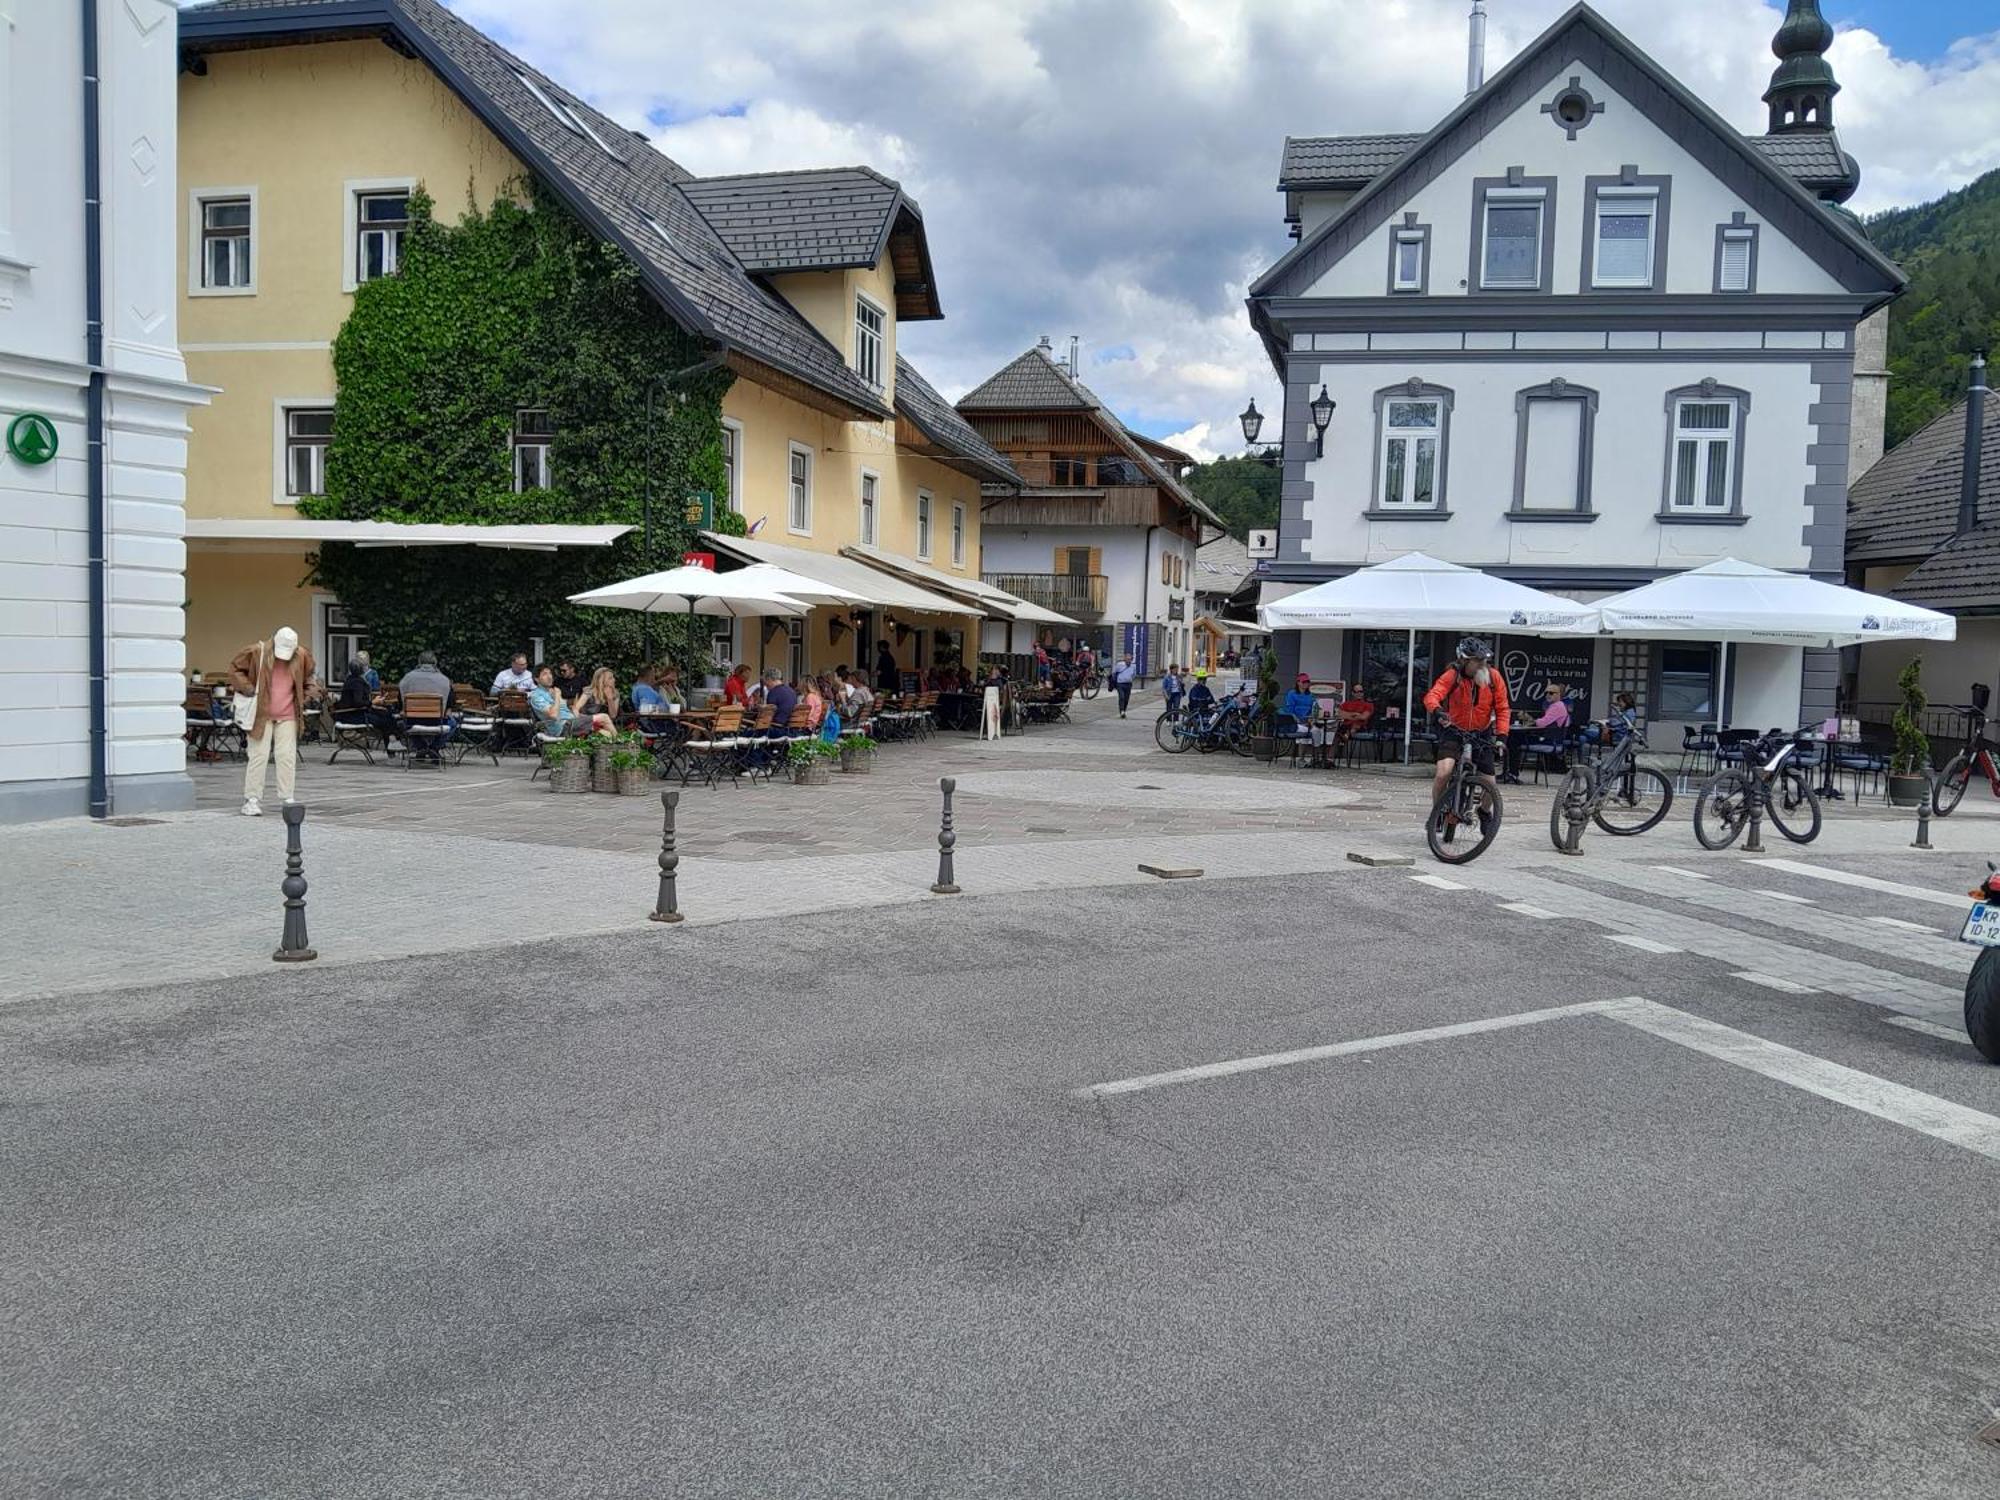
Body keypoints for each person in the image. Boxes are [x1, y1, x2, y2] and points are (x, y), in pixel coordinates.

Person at [230, 626, 315, 815]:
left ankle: (287, 797)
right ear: (274, 642)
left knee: (287, 757)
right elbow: (235, 669)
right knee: (258, 756)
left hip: (288, 714)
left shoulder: (301, 655)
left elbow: (309, 677)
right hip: (261, 713)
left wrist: (306, 696)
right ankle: (251, 799)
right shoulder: (257, 651)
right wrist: (247, 687)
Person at [1423, 636, 1511, 806]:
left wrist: (1501, 737)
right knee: (1443, 772)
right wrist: (1438, 710)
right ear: (1464, 660)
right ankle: (1437, 810)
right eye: (1477, 661)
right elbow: (1432, 695)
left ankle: (1484, 812)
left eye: (1484, 660)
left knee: (1491, 785)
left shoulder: (1493, 677)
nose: (1482, 664)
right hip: (1454, 730)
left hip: (1481, 732)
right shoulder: (1452, 675)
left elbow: (1502, 708)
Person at [1503, 682, 1572, 784]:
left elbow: (1542, 724)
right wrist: (1532, 721)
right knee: (1514, 738)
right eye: (1546, 693)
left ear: (1558, 695)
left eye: (1551, 693)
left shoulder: (1557, 706)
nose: (1547, 695)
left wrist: (1529, 719)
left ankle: (1512, 774)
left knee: (1513, 740)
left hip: (1550, 742)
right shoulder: (1557, 706)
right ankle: (1510, 773)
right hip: (1551, 740)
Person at [528, 664, 576, 738]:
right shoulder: (537, 696)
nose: (549, 677)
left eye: (550, 673)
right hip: (562, 727)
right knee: (599, 719)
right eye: (545, 674)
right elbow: (553, 715)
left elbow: (567, 710)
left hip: (572, 721)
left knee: (598, 723)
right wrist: (557, 696)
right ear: (536, 679)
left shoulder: (552, 692)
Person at [575, 666, 619, 734]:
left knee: (608, 734)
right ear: (601, 680)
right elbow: (576, 709)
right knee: (608, 735)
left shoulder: (615, 694)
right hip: (588, 723)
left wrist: (610, 699)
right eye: (610, 678)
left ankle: (619, 741)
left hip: (604, 724)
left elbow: (613, 716)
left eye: (613, 677)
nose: (614, 680)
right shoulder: (589, 692)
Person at [1111, 653, 1139, 718]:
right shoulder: (1120, 665)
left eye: (1130, 659)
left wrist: (1130, 679)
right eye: (1127, 659)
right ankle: (1122, 711)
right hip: (1120, 683)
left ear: (1131, 660)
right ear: (1124, 659)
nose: (1128, 661)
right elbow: (1114, 672)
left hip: (1128, 684)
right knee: (1122, 697)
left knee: (1126, 699)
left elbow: (1134, 675)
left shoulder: (1133, 666)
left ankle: (1124, 710)